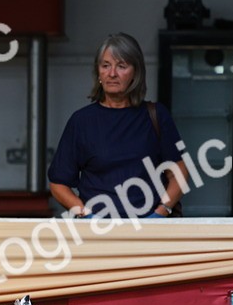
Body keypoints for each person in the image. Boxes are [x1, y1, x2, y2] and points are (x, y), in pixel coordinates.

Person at [48, 32, 187, 220]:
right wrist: (85, 214)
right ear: (98, 72)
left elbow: (179, 173)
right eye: (105, 65)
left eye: (121, 66)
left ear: (135, 73)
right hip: (96, 233)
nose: (112, 73)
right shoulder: (81, 121)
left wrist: (161, 213)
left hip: (148, 232)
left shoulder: (156, 115)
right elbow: (58, 183)